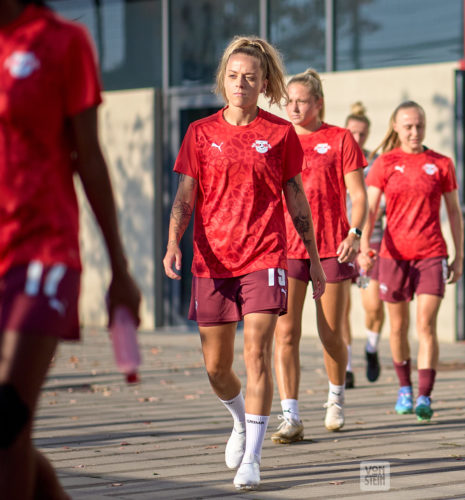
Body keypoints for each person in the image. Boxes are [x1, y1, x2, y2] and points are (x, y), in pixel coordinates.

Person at [162, 36, 325, 491]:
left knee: (257, 352)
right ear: (223, 80)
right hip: (211, 260)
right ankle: (238, 419)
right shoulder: (199, 132)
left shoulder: (279, 134)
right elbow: (184, 196)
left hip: (264, 256)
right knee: (216, 367)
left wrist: (313, 259)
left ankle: (252, 457)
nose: (241, 83)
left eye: (250, 77)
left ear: (264, 82)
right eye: (234, 76)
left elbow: (297, 200)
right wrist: (174, 242)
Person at [0, 1, 141, 498]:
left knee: (8, 417)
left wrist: (119, 271)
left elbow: (91, 158)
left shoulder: (62, 42)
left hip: (41, 251)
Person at [271, 69, 367, 443]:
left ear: (318, 103)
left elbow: (358, 195)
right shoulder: (277, 139)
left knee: (330, 333)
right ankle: (290, 416)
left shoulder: (340, 139)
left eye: (301, 101)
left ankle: (336, 397)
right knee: (287, 333)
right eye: (289, 101)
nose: (293, 107)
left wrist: (355, 234)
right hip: (287, 249)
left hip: (332, 248)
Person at [359, 101, 464, 422]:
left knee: (425, 326)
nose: (414, 131)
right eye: (408, 126)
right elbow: (370, 209)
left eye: (419, 125)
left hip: (432, 253)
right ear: (395, 127)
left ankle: (424, 395)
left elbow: (454, 212)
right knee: (399, 327)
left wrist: (459, 256)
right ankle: (404, 387)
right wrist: (363, 245)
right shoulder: (385, 163)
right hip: (394, 256)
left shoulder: (441, 164)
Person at [343, 101, 386, 385]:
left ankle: (371, 348)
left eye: (362, 133)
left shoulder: (377, 161)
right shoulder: (337, 157)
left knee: (373, 306)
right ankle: (346, 366)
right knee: (340, 309)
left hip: (372, 241)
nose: (357, 139)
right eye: (352, 133)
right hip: (340, 242)